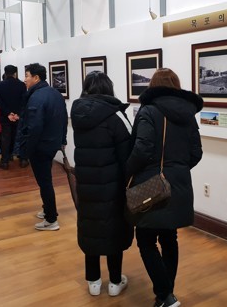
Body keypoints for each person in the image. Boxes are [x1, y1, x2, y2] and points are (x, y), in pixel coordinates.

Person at [126, 68, 203, 307]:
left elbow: (142, 149)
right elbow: (196, 153)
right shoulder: (189, 114)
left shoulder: (148, 110)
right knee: (170, 237)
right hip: (179, 183)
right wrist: (178, 169)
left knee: (146, 240)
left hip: (151, 183)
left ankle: (166, 295)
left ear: (153, 86)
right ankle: (166, 293)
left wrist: (127, 171)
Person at [71, 71, 133, 297]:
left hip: (87, 184)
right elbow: (127, 155)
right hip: (112, 186)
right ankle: (115, 282)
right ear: (109, 88)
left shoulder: (78, 114)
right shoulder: (116, 116)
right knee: (113, 229)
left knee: (91, 227)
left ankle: (94, 281)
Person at [19, 63, 68, 231]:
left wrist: (26, 150)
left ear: (36, 78)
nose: (24, 80)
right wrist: (63, 140)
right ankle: (47, 208)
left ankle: (51, 219)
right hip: (52, 144)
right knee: (45, 180)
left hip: (40, 146)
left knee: (44, 182)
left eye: (26, 75)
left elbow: (34, 127)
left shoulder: (36, 97)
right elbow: (63, 119)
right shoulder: (55, 93)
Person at [0, 65, 27, 170]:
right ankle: (22, 159)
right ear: (15, 73)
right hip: (18, 117)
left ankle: (5, 161)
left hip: (5, 117)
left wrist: (8, 113)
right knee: (20, 137)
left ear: (5, 72)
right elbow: (23, 101)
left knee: (5, 138)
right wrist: (17, 114)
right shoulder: (21, 85)